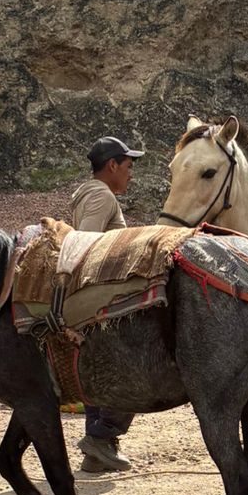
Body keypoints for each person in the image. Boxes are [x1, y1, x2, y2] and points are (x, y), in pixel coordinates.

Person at [67, 135, 144, 474]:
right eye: (128, 166)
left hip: (92, 299)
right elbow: (87, 244)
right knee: (135, 367)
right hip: (104, 300)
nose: (131, 174)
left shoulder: (91, 194)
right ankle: (102, 436)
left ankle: (97, 451)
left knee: (100, 372)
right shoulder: (100, 195)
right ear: (112, 165)